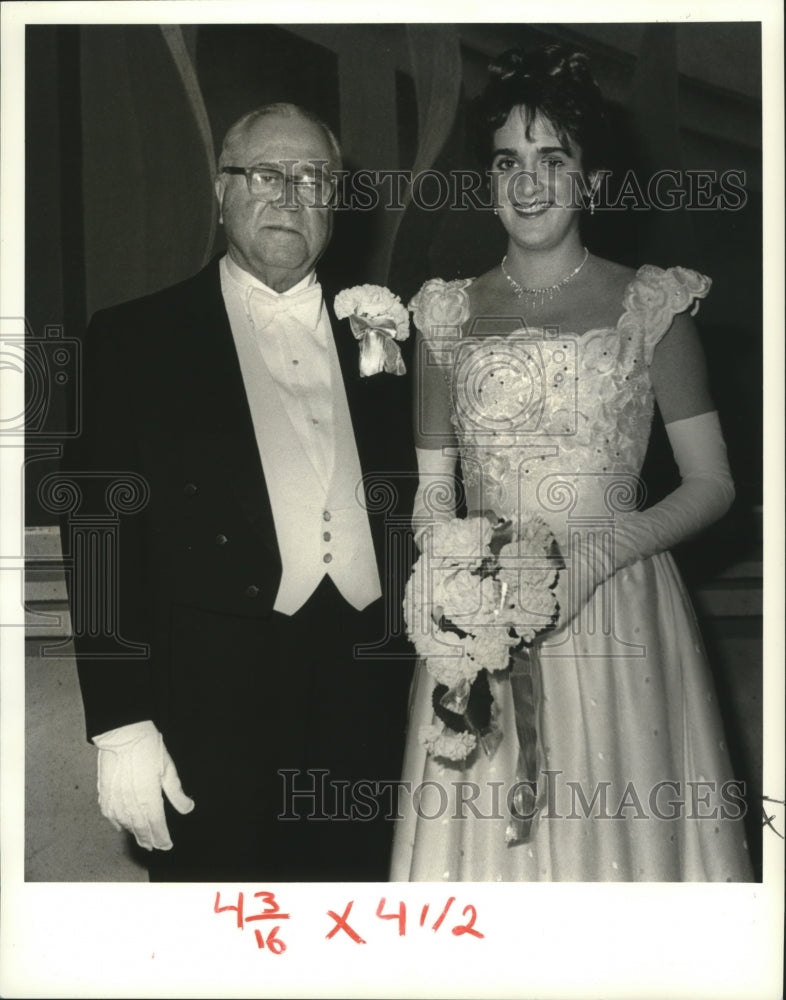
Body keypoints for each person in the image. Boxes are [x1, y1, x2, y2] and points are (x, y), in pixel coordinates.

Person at [391, 46, 753, 881]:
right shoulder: (444, 315)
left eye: (554, 158)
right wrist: (454, 582)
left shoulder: (652, 305)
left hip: (618, 608)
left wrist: (596, 557)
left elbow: (713, 485)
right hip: (479, 624)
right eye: (508, 161)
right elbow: (429, 498)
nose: (529, 182)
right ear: (486, 180)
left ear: (589, 176)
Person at [63, 103, 416, 882]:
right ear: (221, 192)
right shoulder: (132, 339)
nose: (291, 194)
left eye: (314, 177)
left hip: (369, 705)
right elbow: (96, 534)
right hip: (208, 710)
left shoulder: (391, 337)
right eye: (266, 173)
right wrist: (120, 722)